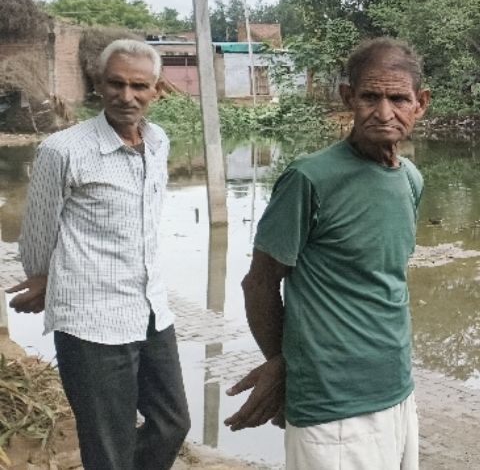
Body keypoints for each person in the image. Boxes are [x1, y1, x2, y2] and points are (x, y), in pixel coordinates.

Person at [224, 38, 431, 469]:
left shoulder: (409, 179)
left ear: (421, 104)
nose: (384, 112)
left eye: (398, 98)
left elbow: (382, 281)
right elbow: (259, 283)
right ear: (347, 98)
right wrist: (280, 362)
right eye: (370, 97)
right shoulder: (309, 179)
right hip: (330, 402)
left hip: (395, 390)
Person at [5, 39, 190, 470]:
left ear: (157, 90)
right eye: (116, 84)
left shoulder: (159, 141)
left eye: (139, 86)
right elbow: (36, 233)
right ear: (99, 86)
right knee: (109, 445)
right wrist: (45, 279)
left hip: (150, 311)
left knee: (172, 422)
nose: (127, 97)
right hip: (90, 319)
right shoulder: (64, 150)